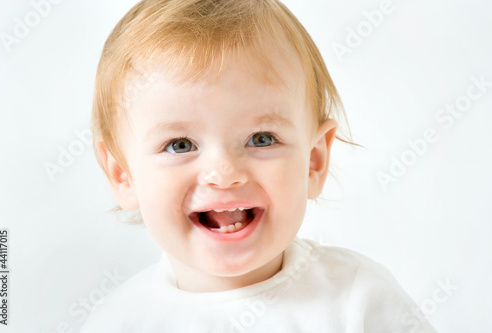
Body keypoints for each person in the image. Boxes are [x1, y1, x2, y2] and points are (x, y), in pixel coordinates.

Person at [81, 0, 437, 331]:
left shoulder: (360, 301)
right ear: (122, 174)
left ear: (313, 161)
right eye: (180, 145)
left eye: (262, 138)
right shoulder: (118, 322)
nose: (224, 173)